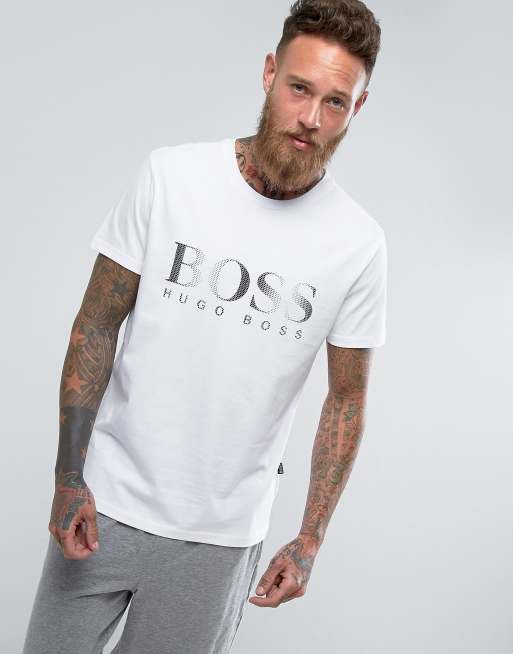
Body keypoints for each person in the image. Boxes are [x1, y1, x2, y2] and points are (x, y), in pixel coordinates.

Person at [22, 0, 386, 652]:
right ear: (269, 73)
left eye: (335, 101)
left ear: (357, 107)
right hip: (103, 509)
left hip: (219, 539)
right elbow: (96, 324)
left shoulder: (357, 244)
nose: (310, 117)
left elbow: (347, 397)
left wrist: (309, 538)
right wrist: (68, 477)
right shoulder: (172, 177)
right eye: (299, 88)